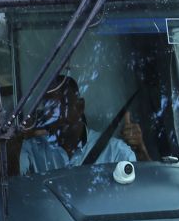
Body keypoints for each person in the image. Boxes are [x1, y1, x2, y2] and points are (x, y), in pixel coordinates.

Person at [16, 74, 146, 175]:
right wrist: (18, 137)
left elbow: (139, 191)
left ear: (80, 106)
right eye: (50, 108)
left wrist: (140, 150)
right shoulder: (32, 149)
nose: (58, 114)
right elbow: (9, 183)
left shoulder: (116, 152)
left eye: (64, 105)